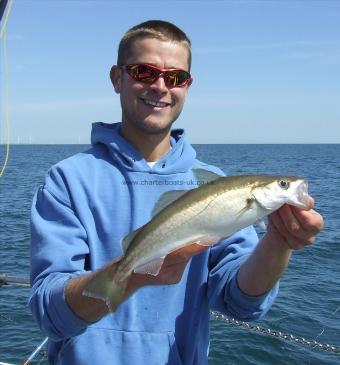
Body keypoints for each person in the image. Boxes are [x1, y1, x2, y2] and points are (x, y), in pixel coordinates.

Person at [29, 20, 324, 365]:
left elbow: (240, 302)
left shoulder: (213, 182)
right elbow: (50, 313)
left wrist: (278, 242)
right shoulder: (67, 179)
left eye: (175, 77)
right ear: (117, 78)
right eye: (144, 71)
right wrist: (132, 275)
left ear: (187, 85)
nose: (159, 86)